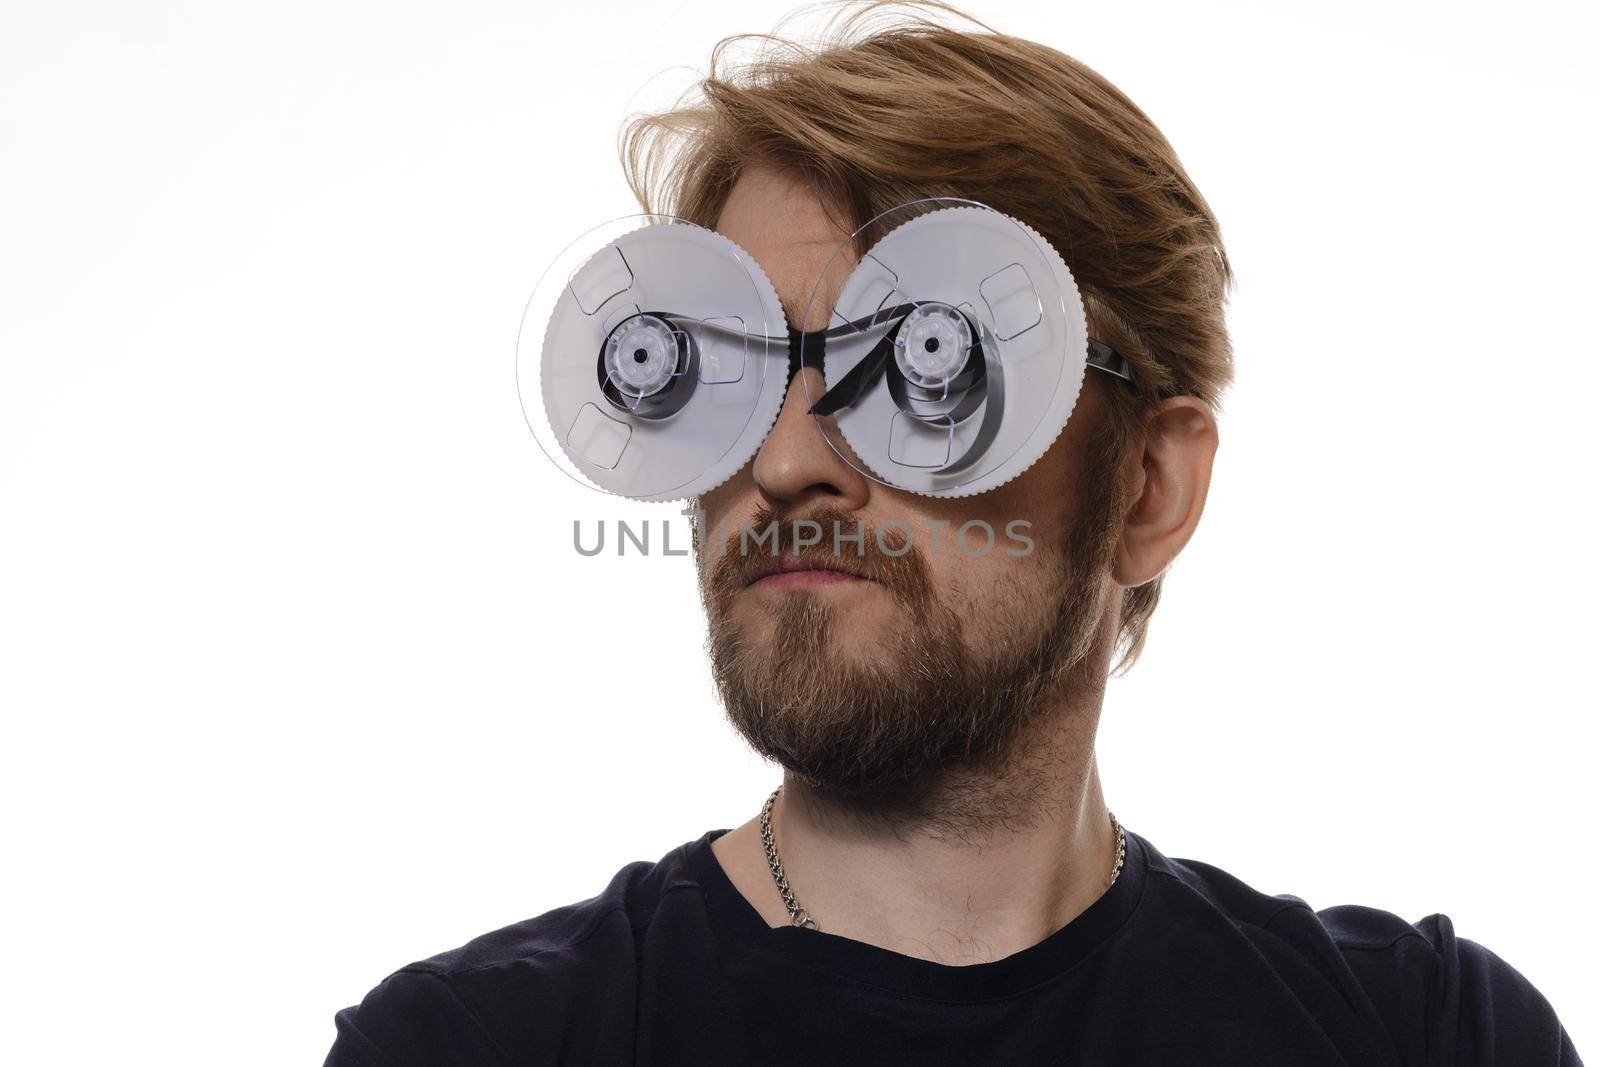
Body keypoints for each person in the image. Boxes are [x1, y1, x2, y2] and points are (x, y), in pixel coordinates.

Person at [324, 4, 1579, 1062]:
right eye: (729, 371)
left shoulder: (1421, 1036)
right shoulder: (475, 1044)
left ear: (1147, 486)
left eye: (931, 372)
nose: (785, 459)